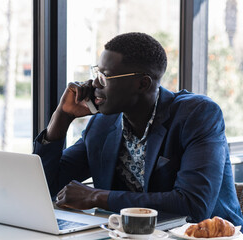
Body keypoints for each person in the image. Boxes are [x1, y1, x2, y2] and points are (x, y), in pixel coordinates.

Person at [33, 32, 243, 226]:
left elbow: (193, 206)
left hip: (206, 235)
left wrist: (95, 197)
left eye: (105, 76)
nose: (94, 83)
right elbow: (46, 187)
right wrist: (62, 116)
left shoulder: (197, 115)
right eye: (96, 73)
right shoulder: (102, 125)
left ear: (142, 84)